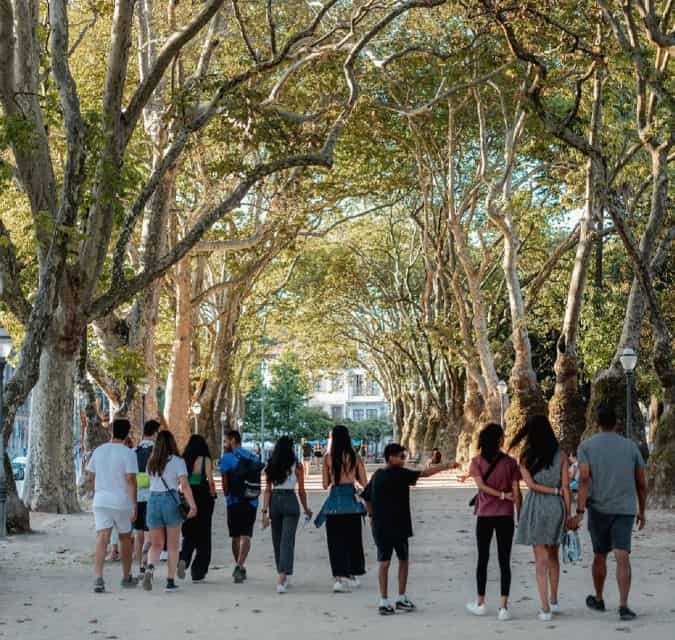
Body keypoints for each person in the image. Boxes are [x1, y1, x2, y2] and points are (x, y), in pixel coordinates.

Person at [570, 404, 647, 621]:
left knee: (599, 555)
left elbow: (584, 478)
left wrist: (580, 511)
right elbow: (641, 483)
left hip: (599, 508)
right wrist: (642, 510)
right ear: (617, 423)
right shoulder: (631, 447)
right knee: (622, 555)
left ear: (598, 423)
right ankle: (623, 605)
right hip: (625, 509)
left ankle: (599, 598)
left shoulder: (586, 446)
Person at [362, 443, 457, 615]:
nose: (404, 459)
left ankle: (387, 600)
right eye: (401, 456)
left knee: (386, 562)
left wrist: (371, 516)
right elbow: (425, 473)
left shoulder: (377, 475)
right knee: (400, 560)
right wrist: (447, 466)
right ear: (391, 457)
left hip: (382, 525)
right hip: (398, 524)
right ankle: (398, 597)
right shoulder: (401, 474)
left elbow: (366, 497)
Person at [510, 415, 571, 622]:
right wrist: (568, 514)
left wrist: (551, 492)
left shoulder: (525, 457)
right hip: (556, 508)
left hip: (536, 505)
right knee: (554, 555)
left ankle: (544, 608)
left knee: (540, 560)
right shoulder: (561, 455)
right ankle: (554, 599)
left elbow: (531, 486)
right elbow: (565, 487)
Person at [466, 423, 521, 621]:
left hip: (485, 515)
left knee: (483, 558)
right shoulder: (510, 463)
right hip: (505, 515)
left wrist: (501, 496)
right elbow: (516, 490)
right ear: (499, 440)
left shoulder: (476, 462)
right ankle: (503, 607)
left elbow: (481, 486)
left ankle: (480, 603)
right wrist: (518, 512)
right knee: (504, 560)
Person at [86, 416, 139, 593]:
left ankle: (98, 577)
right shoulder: (128, 453)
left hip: (101, 500)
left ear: (111, 431)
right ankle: (126, 576)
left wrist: (98, 492)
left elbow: (91, 478)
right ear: (127, 433)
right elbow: (131, 480)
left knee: (102, 538)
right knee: (125, 538)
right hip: (121, 501)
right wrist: (134, 504)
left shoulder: (99, 451)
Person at [315, 424, 367, 593]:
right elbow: (364, 482)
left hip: (334, 504)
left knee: (335, 542)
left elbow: (325, 485)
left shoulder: (328, 458)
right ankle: (352, 575)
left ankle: (338, 578)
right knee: (353, 541)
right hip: (352, 503)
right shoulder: (356, 457)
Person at [143, 430, 197, 593]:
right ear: (172, 443)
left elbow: (148, 482)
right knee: (173, 545)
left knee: (156, 543)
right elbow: (184, 485)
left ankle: (150, 569)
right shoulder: (177, 461)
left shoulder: (151, 461)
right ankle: (170, 581)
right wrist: (192, 505)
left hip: (153, 501)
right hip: (170, 501)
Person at [261, 436, 312, 593]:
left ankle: (282, 573)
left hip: (275, 501)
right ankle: (283, 575)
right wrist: (306, 509)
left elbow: (267, 490)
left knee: (277, 539)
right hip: (290, 500)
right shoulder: (297, 466)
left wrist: (264, 512)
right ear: (291, 448)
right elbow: (301, 491)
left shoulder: (271, 465)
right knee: (287, 540)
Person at [220, 430, 262, 584]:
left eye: (225, 441)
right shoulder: (253, 457)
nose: (224, 444)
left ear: (232, 440)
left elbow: (224, 483)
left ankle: (240, 565)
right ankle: (240, 565)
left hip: (234, 501)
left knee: (235, 536)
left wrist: (227, 495)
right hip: (251, 500)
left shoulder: (226, 458)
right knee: (246, 535)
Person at [178, 434, 217, 582]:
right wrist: (213, 494)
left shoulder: (184, 459)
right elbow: (211, 480)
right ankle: (198, 571)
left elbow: (181, 481)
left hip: (188, 494)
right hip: (203, 495)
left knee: (189, 531)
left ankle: (183, 559)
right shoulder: (204, 459)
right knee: (204, 533)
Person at [133, 419, 160, 575]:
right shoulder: (157, 452)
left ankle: (139, 566)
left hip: (137, 496)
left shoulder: (134, 451)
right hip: (152, 495)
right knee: (150, 533)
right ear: (155, 433)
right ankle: (147, 561)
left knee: (139, 534)